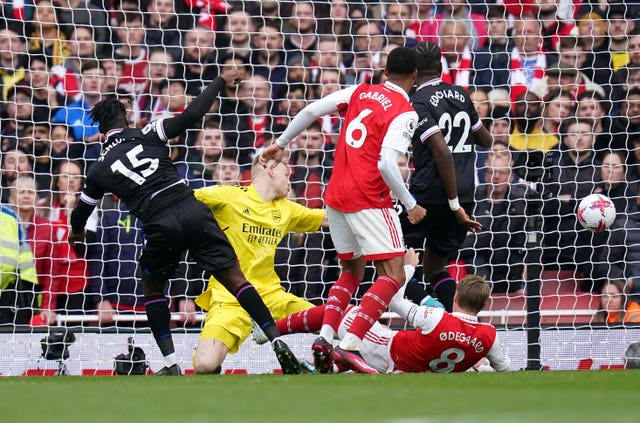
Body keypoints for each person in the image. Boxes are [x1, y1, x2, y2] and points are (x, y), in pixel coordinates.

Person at [67, 70, 303, 376]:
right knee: (234, 278)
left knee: (152, 287)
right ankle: (276, 342)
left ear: (100, 129)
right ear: (126, 117)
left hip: (159, 224)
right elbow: (192, 113)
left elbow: (80, 212)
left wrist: (77, 235)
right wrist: (219, 81)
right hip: (191, 208)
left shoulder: (98, 169)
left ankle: (170, 363)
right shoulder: (149, 132)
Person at [261, 47, 426, 374]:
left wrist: (281, 142)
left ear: (385, 70)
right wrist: (411, 204)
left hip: (334, 195)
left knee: (352, 271)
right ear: (415, 77)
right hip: (369, 197)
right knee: (393, 274)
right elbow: (387, 163)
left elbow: (310, 110)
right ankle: (350, 344)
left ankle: (325, 336)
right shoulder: (405, 111)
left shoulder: (359, 91)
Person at [191, 158, 325, 374]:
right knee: (205, 365)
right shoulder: (227, 196)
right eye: (287, 175)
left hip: (272, 297)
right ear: (270, 170)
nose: (290, 182)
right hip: (230, 298)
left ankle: (377, 346)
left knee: (332, 321)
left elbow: (326, 219)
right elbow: (183, 199)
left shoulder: (287, 209)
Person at [258, 272, 510, 374]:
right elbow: (505, 370)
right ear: (484, 304)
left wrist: (406, 267)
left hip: (389, 351)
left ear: (455, 296)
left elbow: (394, 299)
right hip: (409, 369)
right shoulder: (489, 336)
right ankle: (326, 368)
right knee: (360, 342)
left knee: (347, 312)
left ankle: (268, 331)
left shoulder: (437, 319)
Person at [402, 42, 489, 313]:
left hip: (431, 193)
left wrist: (453, 203)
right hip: (465, 190)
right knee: (435, 266)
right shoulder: (461, 94)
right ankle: (456, 320)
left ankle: (431, 310)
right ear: (441, 67)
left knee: (393, 259)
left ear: (414, 72)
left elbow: (442, 152)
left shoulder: (418, 102)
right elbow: (485, 139)